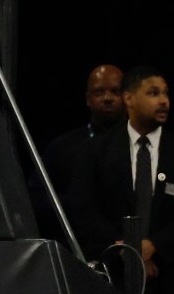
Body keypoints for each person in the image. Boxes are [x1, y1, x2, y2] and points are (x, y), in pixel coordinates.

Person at [67, 66, 172, 292]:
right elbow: (83, 207)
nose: (163, 101)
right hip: (113, 274)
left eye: (165, 93)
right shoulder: (96, 150)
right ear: (129, 99)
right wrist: (127, 249)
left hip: (168, 272)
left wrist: (154, 246)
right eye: (154, 93)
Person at [28, 63, 124, 240]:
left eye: (115, 91)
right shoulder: (63, 147)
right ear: (88, 99)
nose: (107, 98)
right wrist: (77, 204)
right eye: (99, 92)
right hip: (77, 245)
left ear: (128, 97)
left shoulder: (140, 146)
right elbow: (36, 198)